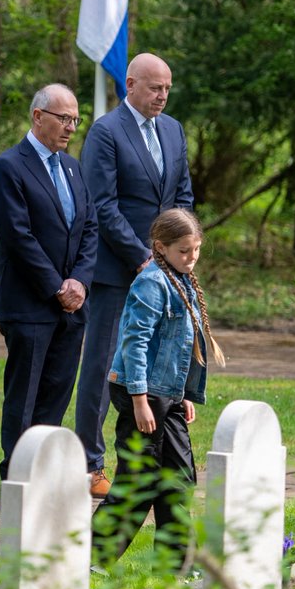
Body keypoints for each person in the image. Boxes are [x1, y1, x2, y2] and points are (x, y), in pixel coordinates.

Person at [76, 52, 195, 498]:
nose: (162, 96)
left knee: (162, 356)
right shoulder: (106, 132)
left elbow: (182, 195)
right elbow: (102, 204)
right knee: (104, 367)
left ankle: (159, 446)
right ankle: (90, 462)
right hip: (117, 271)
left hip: (165, 271)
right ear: (130, 85)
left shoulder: (173, 130)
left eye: (167, 88)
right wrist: (144, 258)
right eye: (154, 87)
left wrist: (176, 253)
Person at [91, 208, 225, 569]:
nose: (191, 258)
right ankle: (92, 558)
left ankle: (175, 566)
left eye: (195, 250)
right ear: (160, 247)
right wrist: (139, 401)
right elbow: (135, 342)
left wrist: (182, 395)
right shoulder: (151, 282)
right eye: (184, 251)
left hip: (165, 393)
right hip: (142, 394)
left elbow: (180, 347)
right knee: (139, 482)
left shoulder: (182, 280)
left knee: (178, 480)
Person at [0, 84, 98, 479]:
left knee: (56, 393)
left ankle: (44, 473)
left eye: (75, 120)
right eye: (63, 118)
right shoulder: (9, 166)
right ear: (38, 117)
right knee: (24, 397)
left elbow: (89, 228)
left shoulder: (71, 166)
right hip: (30, 304)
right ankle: (16, 479)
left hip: (73, 305)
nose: (70, 127)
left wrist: (80, 283)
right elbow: (17, 237)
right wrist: (58, 287)